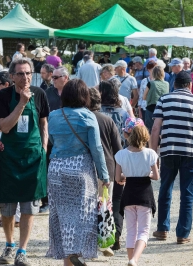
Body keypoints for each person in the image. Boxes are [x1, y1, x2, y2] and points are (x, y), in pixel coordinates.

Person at [0, 58, 49, 265]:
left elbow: (43, 123)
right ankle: (9, 245)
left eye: (28, 73)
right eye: (20, 74)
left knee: (29, 208)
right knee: (7, 209)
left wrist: (43, 150)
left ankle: (22, 250)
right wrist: (22, 103)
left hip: (33, 158)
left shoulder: (40, 94)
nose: (25, 78)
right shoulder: (3, 96)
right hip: (9, 157)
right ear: (12, 76)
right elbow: (5, 127)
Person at [46, 79, 110, 266]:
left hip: (57, 168)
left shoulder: (53, 116)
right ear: (85, 96)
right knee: (84, 213)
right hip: (80, 168)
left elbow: (52, 141)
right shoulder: (88, 116)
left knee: (62, 215)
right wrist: (104, 175)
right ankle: (77, 252)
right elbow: (97, 148)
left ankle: (68, 256)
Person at [150, 71, 193, 244]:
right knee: (187, 193)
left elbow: (155, 128)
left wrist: (153, 154)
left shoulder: (164, 100)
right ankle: (183, 234)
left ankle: (162, 229)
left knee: (165, 188)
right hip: (191, 153)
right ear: (190, 86)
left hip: (169, 150)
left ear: (174, 84)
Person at [115, 118, 159, 266]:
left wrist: (126, 176)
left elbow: (118, 178)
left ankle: (130, 260)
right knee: (144, 231)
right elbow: (156, 176)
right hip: (144, 195)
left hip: (128, 195)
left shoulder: (121, 155)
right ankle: (134, 260)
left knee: (131, 230)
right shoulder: (150, 154)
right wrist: (146, 174)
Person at [88, 87, 122, 250]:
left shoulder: (82, 119)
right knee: (105, 205)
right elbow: (118, 148)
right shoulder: (107, 120)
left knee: (87, 205)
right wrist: (121, 171)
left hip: (86, 167)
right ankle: (105, 241)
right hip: (107, 168)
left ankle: (88, 240)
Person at [40, 66, 69, 214]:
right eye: (53, 77)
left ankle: (64, 201)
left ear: (66, 78)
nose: (53, 80)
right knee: (47, 169)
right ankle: (46, 201)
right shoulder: (47, 93)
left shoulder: (73, 93)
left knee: (66, 170)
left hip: (68, 139)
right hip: (50, 138)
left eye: (56, 77)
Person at [143, 66, 169, 132]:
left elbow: (144, 96)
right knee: (161, 131)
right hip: (163, 109)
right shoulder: (167, 84)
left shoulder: (151, 83)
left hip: (151, 109)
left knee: (149, 130)